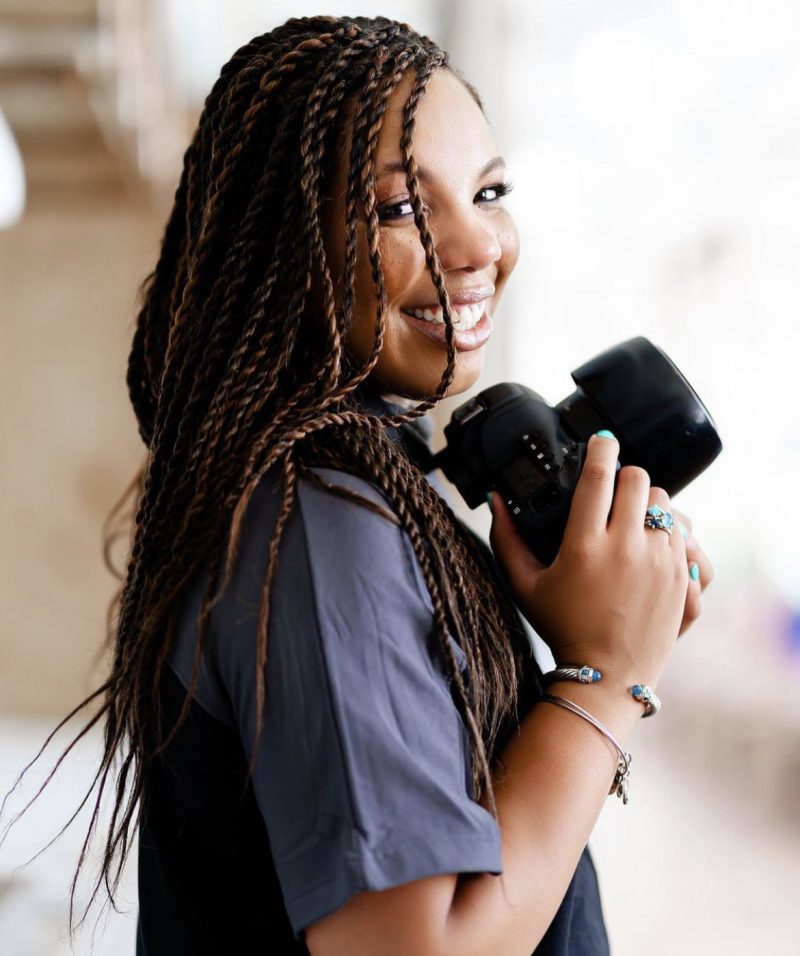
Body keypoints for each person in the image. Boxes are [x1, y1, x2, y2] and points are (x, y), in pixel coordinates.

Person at [36, 14, 714, 955]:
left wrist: (599, 624)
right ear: (281, 245)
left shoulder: (364, 479)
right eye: (399, 208)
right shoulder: (320, 522)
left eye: (489, 192)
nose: (476, 246)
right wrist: (606, 680)